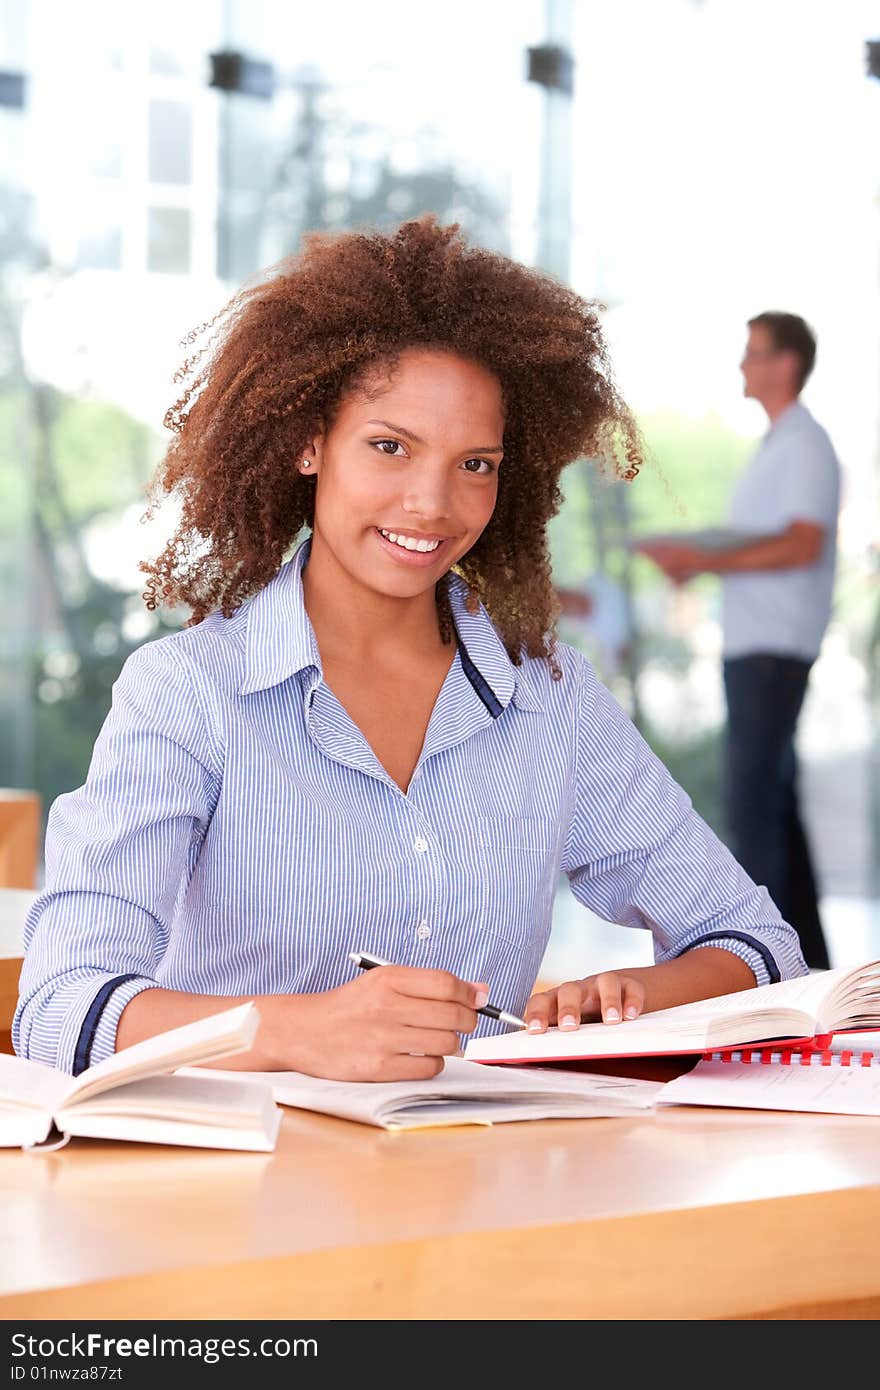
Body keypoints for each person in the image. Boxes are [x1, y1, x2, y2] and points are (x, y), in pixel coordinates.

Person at [14, 221, 807, 1082]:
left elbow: (759, 946)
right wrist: (292, 1031)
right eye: (390, 447)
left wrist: (636, 997)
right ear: (309, 443)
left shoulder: (550, 698)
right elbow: (60, 1007)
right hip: (244, 1202)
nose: (432, 503)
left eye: (476, 464)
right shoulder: (189, 693)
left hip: (494, 1188)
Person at [636, 312, 841, 970]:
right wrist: (695, 550)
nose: (743, 366)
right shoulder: (778, 445)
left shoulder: (806, 444)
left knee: (752, 805)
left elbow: (800, 543)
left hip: (774, 649)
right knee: (775, 805)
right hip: (759, 645)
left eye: (754, 354)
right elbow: (760, 536)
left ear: (786, 364)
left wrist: (702, 562)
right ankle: (807, 966)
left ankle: (757, 969)